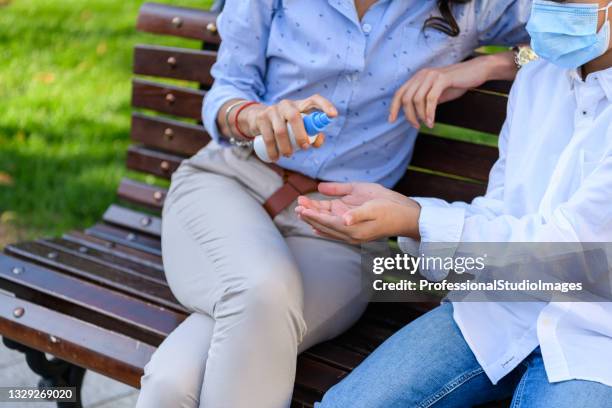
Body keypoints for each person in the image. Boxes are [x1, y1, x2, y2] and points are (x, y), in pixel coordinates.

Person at [135, 1, 533, 407]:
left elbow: (578, 29)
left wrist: (487, 65)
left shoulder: (469, 9)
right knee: (259, 293)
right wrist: (257, 118)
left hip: (342, 229)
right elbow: (228, 89)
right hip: (230, 183)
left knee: (174, 381)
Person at [298, 1, 612, 406]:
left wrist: (418, 220)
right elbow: (499, 211)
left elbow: (568, 251)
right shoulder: (538, 77)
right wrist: (401, 213)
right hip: (497, 310)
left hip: (595, 337)